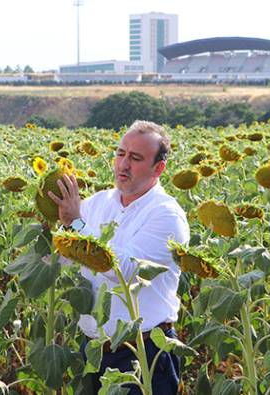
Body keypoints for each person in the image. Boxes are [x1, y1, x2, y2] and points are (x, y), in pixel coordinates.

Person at [48, 120, 189, 394]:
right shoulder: (97, 204)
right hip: (93, 351)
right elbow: (62, 256)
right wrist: (49, 227)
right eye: (120, 153)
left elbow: (124, 270)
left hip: (144, 355)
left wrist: (75, 224)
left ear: (158, 168)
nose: (123, 164)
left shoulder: (166, 215)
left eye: (135, 158)